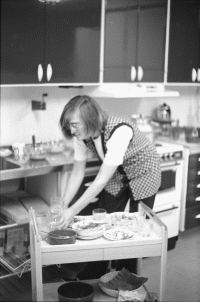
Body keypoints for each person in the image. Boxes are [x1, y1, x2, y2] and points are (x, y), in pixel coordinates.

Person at [58, 95, 161, 279]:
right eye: (69, 125)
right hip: (119, 174)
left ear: (89, 119)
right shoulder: (82, 135)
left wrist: (73, 210)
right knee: (102, 221)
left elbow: (100, 180)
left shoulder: (119, 131)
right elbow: (77, 173)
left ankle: (128, 277)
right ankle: (97, 270)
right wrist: (63, 204)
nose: (71, 130)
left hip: (145, 172)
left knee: (136, 227)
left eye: (74, 124)